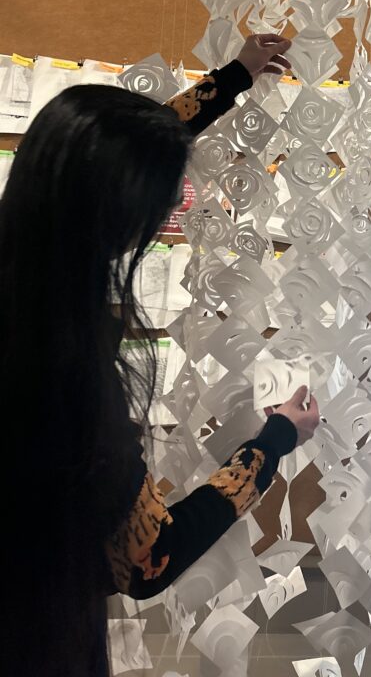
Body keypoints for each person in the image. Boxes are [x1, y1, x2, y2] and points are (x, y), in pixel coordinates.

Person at [0, 34, 320, 677]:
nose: (178, 202)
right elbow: (149, 558)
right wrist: (278, 438)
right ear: (124, 217)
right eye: (165, 193)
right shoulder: (72, 374)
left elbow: (113, 153)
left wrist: (235, 76)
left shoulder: (29, 262)